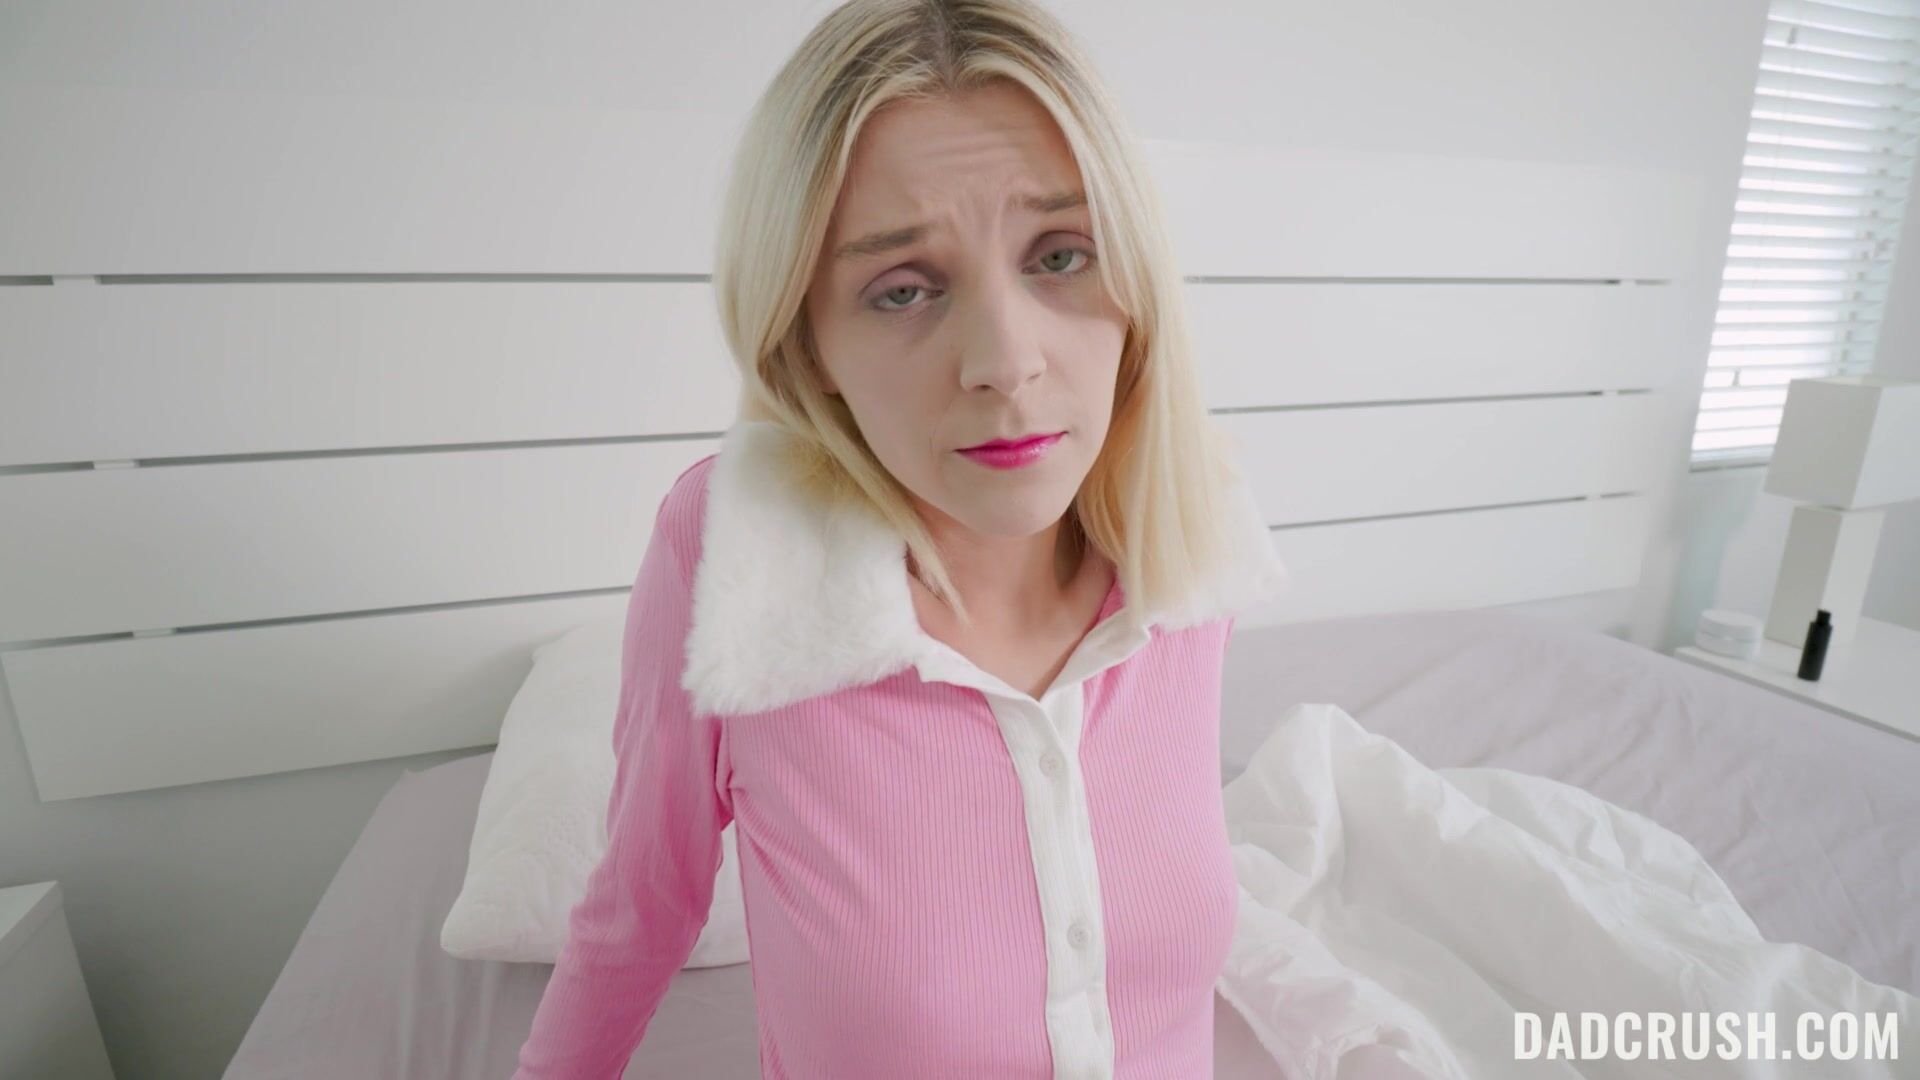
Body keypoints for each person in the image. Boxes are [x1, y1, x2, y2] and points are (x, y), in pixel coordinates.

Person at [513, 0, 1289, 1076]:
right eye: (904, 290)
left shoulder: (1190, 532)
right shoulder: (734, 557)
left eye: (1061, 255)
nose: (1005, 362)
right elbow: (640, 909)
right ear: (807, 344)